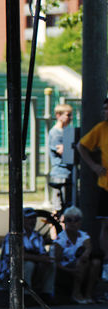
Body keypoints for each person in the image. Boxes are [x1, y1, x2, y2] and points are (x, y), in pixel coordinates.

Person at [75, 98, 108, 282]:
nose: (106, 112)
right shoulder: (101, 129)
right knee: (105, 225)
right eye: (105, 109)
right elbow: (81, 146)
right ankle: (106, 263)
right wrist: (94, 166)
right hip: (106, 184)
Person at [0, 207, 55, 303]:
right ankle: (25, 295)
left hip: (34, 272)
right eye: (29, 218)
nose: (33, 221)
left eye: (34, 218)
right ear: (22, 220)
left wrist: (46, 259)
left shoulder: (37, 237)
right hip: (9, 276)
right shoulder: (12, 236)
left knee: (50, 264)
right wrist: (38, 258)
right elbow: (17, 256)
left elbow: (43, 256)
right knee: (28, 264)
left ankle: (47, 294)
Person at [52, 206, 101, 304]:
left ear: (80, 222)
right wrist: (71, 271)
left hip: (81, 267)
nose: (73, 223)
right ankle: (76, 293)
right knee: (81, 263)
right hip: (65, 270)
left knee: (95, 262)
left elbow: (88, 247)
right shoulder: (60, 239)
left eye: (76, 220)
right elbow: (55, 263)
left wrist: (86, 253)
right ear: (65, 222)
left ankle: (88, 294)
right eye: (69, 220)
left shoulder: (84, 235)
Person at [48, 103, 74, 213]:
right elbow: (62, 150)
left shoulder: (67, 131)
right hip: (60, 173)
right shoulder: (55, 133)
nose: (70, 118)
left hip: (69, 172)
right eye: (68, 115)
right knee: (59, 206)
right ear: (58, 116)